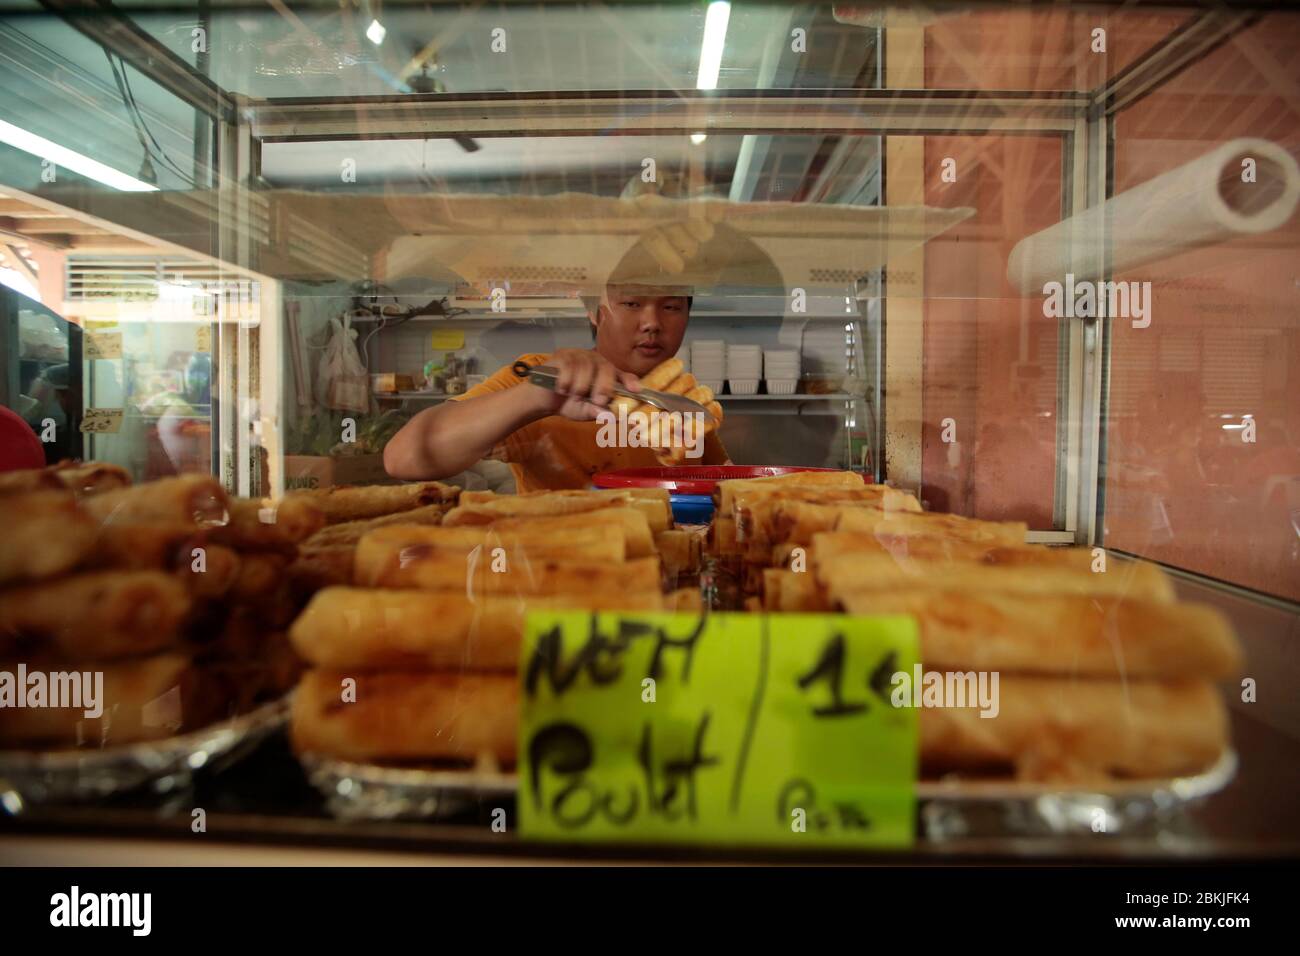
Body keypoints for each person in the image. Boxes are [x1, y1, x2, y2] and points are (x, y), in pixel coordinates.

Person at [383, 284, 729, 492]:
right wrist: (535, 398)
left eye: (671, 307)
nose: (652, 323)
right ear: (593, 311)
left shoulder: (680, 396)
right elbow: (403, 458)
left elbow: (723, 481)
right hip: (560, 571)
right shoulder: (542, 377)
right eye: (631, 303)